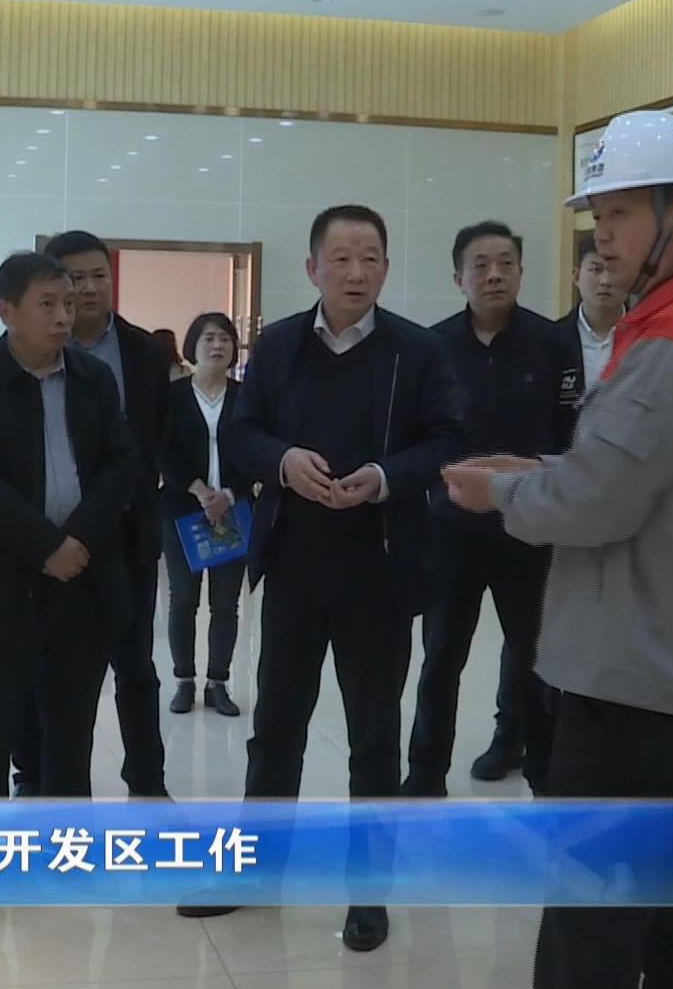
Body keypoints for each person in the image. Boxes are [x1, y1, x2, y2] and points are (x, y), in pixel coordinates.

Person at [442, 111, 673, 989]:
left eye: (622, 212)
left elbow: (599, 503)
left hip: (636, 683)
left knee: (589, 931)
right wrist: (544, 468)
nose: (604, 233)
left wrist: (502, 492)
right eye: (600, 214)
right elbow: (655, 480)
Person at [182, 205, 465, 953]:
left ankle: (368, 892)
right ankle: (254, 873)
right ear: (312, 268)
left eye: (370, 258)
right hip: (296, 565)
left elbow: (447, 439)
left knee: (374, 736)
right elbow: (240, 432)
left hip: (379, 566)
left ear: (387, 268)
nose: (356, 272)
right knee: (276, 728)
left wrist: (384, 476)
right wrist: (282, 461)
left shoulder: (417, 350)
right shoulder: (278, 346)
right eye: (340, 258)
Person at [0, 252, 138, 919]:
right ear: (7, 310)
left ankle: (67, 854)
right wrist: (45, 546)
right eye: (47, 304)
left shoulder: (93, 377)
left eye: (69, 302)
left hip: (84, 576)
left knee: (71, 729)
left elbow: (121, 464)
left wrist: (76, 540)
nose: (64, 315)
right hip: (6, 579)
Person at [403, 221, 579, 796]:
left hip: (528, 527)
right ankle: (425, 774)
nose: (494, 274)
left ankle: (545, 775)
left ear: (522, 272)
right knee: (440, 659)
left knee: (536, 660)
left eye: (506, 263)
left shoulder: (553, 343)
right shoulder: (432, 346)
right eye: (480, 265)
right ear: (458, 277)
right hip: (450, 529)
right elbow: (419, 437)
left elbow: (570, 433)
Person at [7, 231, 172, 798]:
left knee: (136, 665)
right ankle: (33, 773)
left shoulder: (146, 351)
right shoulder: (22, 354)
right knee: (38, 663)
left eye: (100, 275)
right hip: (47, 540)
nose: (90, 288)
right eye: (76, 278)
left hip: (126, 535)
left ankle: (147, 780)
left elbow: (152, 442)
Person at [160, 312, 251, 716]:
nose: (218, 346)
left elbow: (257, 450)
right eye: (209, 338)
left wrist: (229, 494)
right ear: (192, 346)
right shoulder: (172, 396)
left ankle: (218, 682)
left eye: (225, 339)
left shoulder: (247, 397)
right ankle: (184, 680)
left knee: (226, 602)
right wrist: (198, 490)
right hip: (182, 510)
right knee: (183, 599)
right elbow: (162, 449)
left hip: (233, 512)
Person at [566, 232, 635, 395]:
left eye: (614, 270)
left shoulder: (648, 338)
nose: (605, 281)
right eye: (596, 270)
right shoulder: (552, 338)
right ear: (576, 276)